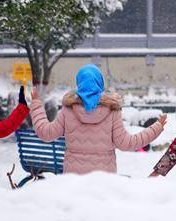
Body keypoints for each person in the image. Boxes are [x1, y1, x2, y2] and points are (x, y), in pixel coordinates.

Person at [30, 64, 166, 175]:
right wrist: (157, 127)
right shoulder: (112, 110)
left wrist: (36, 104)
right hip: (103, 180)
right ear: (100, 83)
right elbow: (127, 143)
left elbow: (45, 133)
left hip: (73, 180)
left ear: (79, 83)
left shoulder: (68, 110)